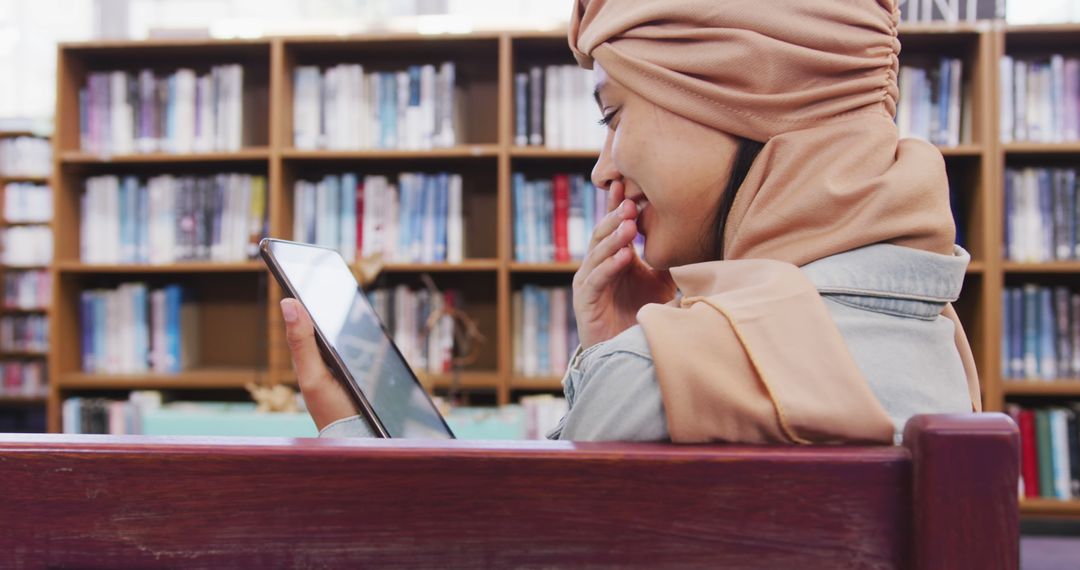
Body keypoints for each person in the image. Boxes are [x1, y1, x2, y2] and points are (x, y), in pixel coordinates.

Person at [280, 0, 980, 444]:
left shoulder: (657, 381)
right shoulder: (937, 340)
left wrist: (348, 430)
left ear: (738, 102)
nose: (600, 169)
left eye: (613, 114)